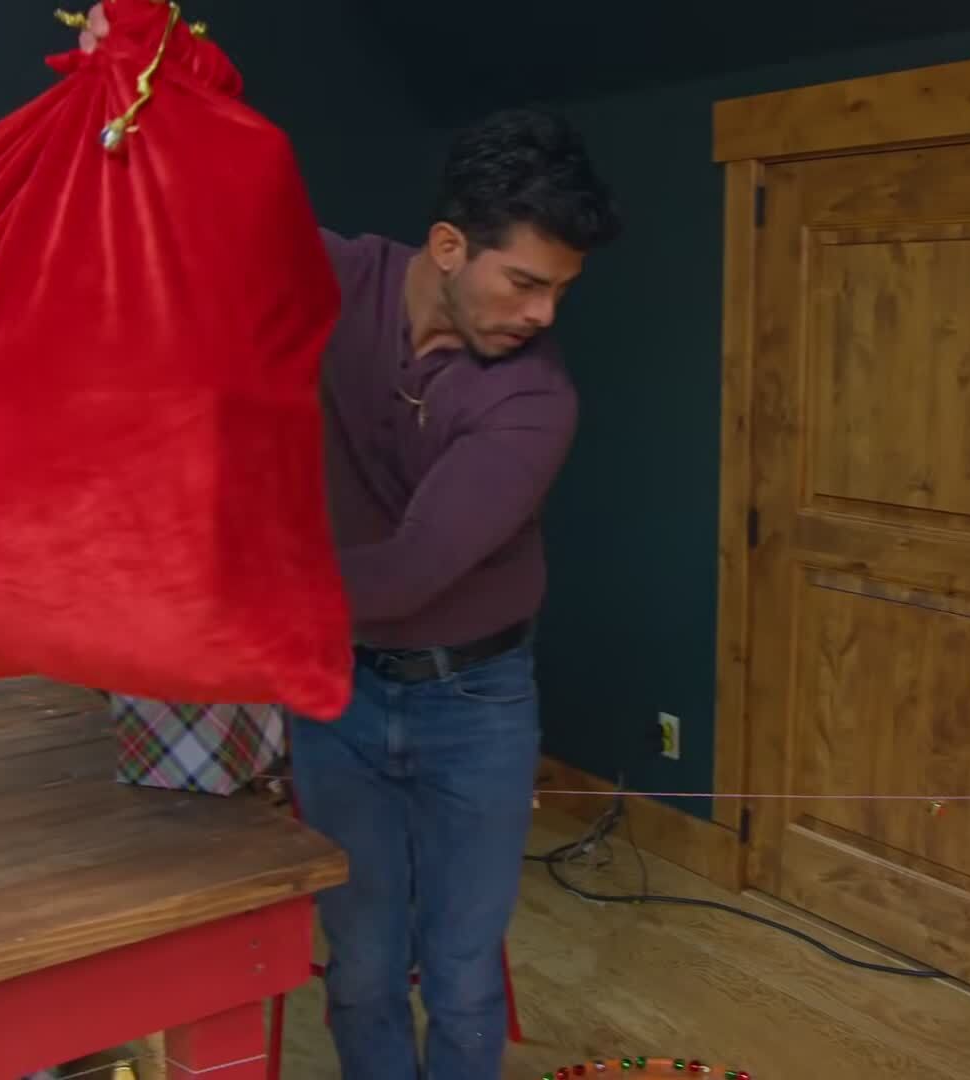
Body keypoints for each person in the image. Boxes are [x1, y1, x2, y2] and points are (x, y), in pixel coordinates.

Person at [289, 107, 622, 1080]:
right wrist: (133, 74)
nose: (543, 314)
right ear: (447, 247)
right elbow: (194, 215)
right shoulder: (335, 275)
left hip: (477, 706)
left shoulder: (535, 399)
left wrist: (235, 593)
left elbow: (409, 573)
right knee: (361, 966)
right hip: (339, 696)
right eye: (525, 282)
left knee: (465, 976)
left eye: (561, 290)